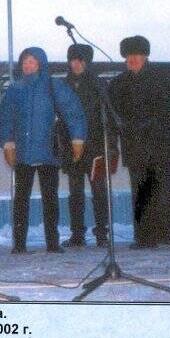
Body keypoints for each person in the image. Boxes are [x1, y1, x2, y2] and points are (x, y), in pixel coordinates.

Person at [0, 47, 86, 254]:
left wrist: (78, 139)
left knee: (50, 199)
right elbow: (5, 118)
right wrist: (8, 143)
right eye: (25, 62)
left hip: (48, 152)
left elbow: (73, 111)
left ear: (41, 63)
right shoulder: (15, 89)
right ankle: (19, 245)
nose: (28, 65)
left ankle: (52, 244)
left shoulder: (54, 86)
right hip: (23, 154)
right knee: (20, 200)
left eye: (32, 61)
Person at [108, 35, 170, 251]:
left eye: (137, 56)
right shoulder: (118, 84)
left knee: (168, 191)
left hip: (162, 144)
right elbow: (114, 113)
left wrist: (157, 125)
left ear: (145, 57)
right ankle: (145, 238)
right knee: (141, 193)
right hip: (135, 146)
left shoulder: (162, 78)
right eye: (128, 56)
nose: (132, 60)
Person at [59, 44, 115, 248]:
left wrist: (110, 146)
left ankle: (102, 233)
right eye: (73, 59)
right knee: (75, 193)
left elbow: (108, 117)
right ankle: (77, 234)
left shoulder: (99, 85)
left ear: (88, 62)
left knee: (99, 192)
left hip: (95, 147)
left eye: (81, 60)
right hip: (71, 147)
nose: (77, 64)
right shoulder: (63, 85)